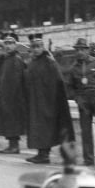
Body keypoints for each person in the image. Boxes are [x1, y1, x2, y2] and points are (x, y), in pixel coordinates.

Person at [24, 34, 74, 164]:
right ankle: (40, 153)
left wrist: (50, 98)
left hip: (47, 101)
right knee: (37, 127)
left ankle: (45, 155)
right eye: (33, 47)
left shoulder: (49, 62)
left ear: (43, 47)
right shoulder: (33, 62)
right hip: (35, 100)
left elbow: (58, 81)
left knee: (45, 128)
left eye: (38, 46)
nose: (36, 49)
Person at [0, 33, 27, 154]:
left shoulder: (16, 60)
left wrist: (13, 96)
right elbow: (1, 77)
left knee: (13, 122)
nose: (8, 46)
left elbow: (17, 81)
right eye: (6, 43)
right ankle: (12, 145)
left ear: (15, 45)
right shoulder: (7, 60)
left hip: (14, 98)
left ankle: (14, 146)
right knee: (7, 121)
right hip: (6, 96)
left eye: (11, 43)